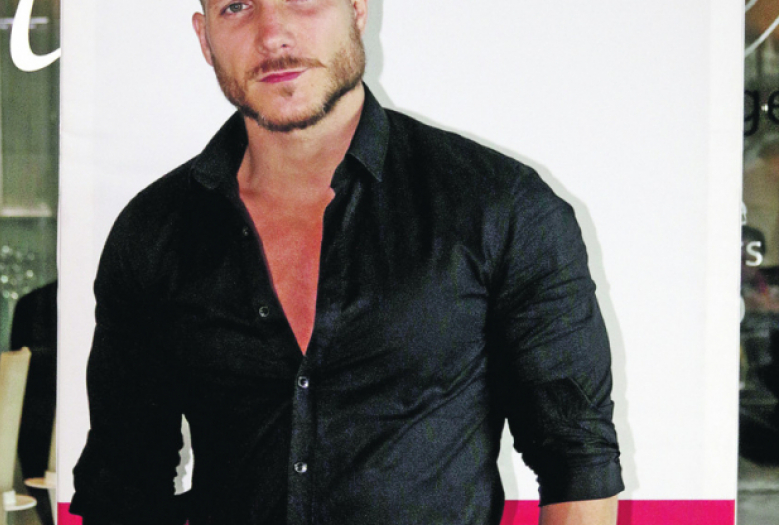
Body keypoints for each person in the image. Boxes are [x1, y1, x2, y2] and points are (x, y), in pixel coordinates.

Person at [70, 1, 624, 524]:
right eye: (236, 6)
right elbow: (123, 480)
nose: (272, 34)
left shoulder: (499, 206)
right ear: (204, 37)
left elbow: (577, 460)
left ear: (357, 8)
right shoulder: (154, 232)